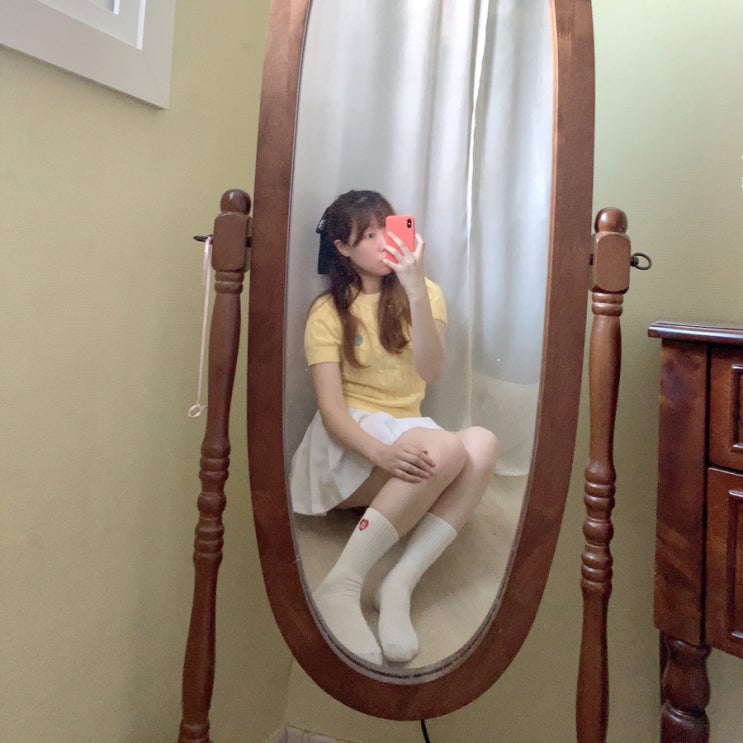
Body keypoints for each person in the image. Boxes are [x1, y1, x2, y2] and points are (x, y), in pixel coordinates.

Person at [290, 189, 499, 665]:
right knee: (445, 448)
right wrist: (381, 453)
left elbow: (431, 371)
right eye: (367, 235)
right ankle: (341, 583)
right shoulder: (327, 312)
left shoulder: (427, 294)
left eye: (387, 228)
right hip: (350, 447)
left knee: (482, 444)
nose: (383, 240)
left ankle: (399, 583)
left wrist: (416, 290)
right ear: (342, 248)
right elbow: (332, 412)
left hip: (410, 436)